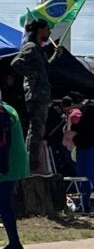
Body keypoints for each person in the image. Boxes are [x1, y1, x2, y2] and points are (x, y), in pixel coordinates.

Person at [10, 19, 52, 175]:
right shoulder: (31, 47)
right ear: (40, 30)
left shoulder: (38, 49)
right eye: (47, 29)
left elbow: (42, 68)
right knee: (35, 131)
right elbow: (16, 63)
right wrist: (33, 76)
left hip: (40, 95)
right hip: (36, 95)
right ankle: (29, 165)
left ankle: (31, 164)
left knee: (38, 131)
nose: (49, 32)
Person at [0, 93, 29, 249]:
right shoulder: (8, 109)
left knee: (4, 203)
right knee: (4, 203)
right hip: (13, 161)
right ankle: (14, 243)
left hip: (5, 163)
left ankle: (15, 244)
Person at [71, 94, 94, 215]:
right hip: (82, 148)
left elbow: (82, 127)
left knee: (93, 175)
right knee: (82, 177)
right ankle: (84, 204)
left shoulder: (91, 110)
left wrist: (74, 123)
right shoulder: (80, 112)